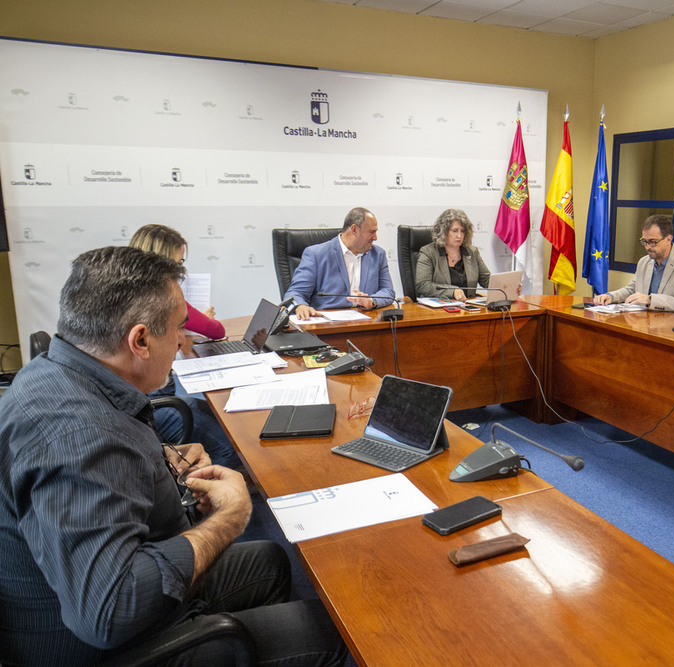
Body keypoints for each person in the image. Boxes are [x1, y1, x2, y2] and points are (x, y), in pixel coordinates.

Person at [0, 246, 347, 665]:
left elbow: (105, 465)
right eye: (179, 329)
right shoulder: (81, 436)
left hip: (108, 586)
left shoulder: (57, 372)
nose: (183, 339)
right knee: (332, 634)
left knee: (271, 560)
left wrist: (158, 461)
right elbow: (110, 612)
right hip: (106, 645)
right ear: (141, 339)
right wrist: (229, 519)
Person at [129, 224, 240, 470]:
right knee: (230, 446)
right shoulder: (159, 296)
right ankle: (210, 500)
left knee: (220, 417)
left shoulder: (130, 291)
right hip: (148, 406)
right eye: (178, 263)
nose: (181, 270)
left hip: (149, 397)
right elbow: (215, 330)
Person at [284, 207, 395, 320]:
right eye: (372, 232)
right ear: (354, 230)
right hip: (327, 327)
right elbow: (295, 293)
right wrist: (301, 306)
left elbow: (388, 291)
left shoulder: (378, 254)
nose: (375, 237)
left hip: (366, 322)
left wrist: (371, 301)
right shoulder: (316, 254)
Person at [593, 214, 674, 315]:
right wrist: (611, 296)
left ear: (668, 239)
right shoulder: (644, 262)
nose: (647, 247)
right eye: (644, 242)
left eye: (653, 242)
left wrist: (650, 300)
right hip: (650, 322)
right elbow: (632, 290)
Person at [415, 208, 491, 300]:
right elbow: (422, 285)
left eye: (462, 231)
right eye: (455, 231)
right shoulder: (428, 252)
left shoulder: (472, 252)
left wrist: (505, 285)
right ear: (443, 231)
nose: (459, 235)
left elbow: (486, 280)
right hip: (439, 309)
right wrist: (452, 291)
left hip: (467, 308)